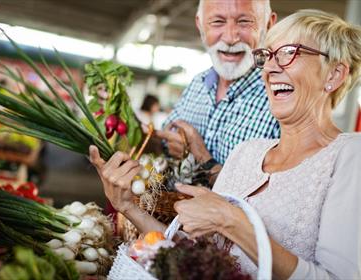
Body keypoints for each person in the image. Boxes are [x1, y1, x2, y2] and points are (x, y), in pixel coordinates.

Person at [89, 9, 361, 279]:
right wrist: (127, 206)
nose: (271, 68)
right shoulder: (247, 152)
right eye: (268, 56)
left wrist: (233, 222)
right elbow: (195, 254)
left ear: (334, 75)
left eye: (289, 53)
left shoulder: (349, 155)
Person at [156, 0, 280, 169]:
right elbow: (162, 144)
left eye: (244, 21)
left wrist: (200, 156)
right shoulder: (198, 83)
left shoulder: (280, 98)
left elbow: (274, 191)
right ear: (200, 24)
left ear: (269, 24)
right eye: (217, 22)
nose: (230, 38)